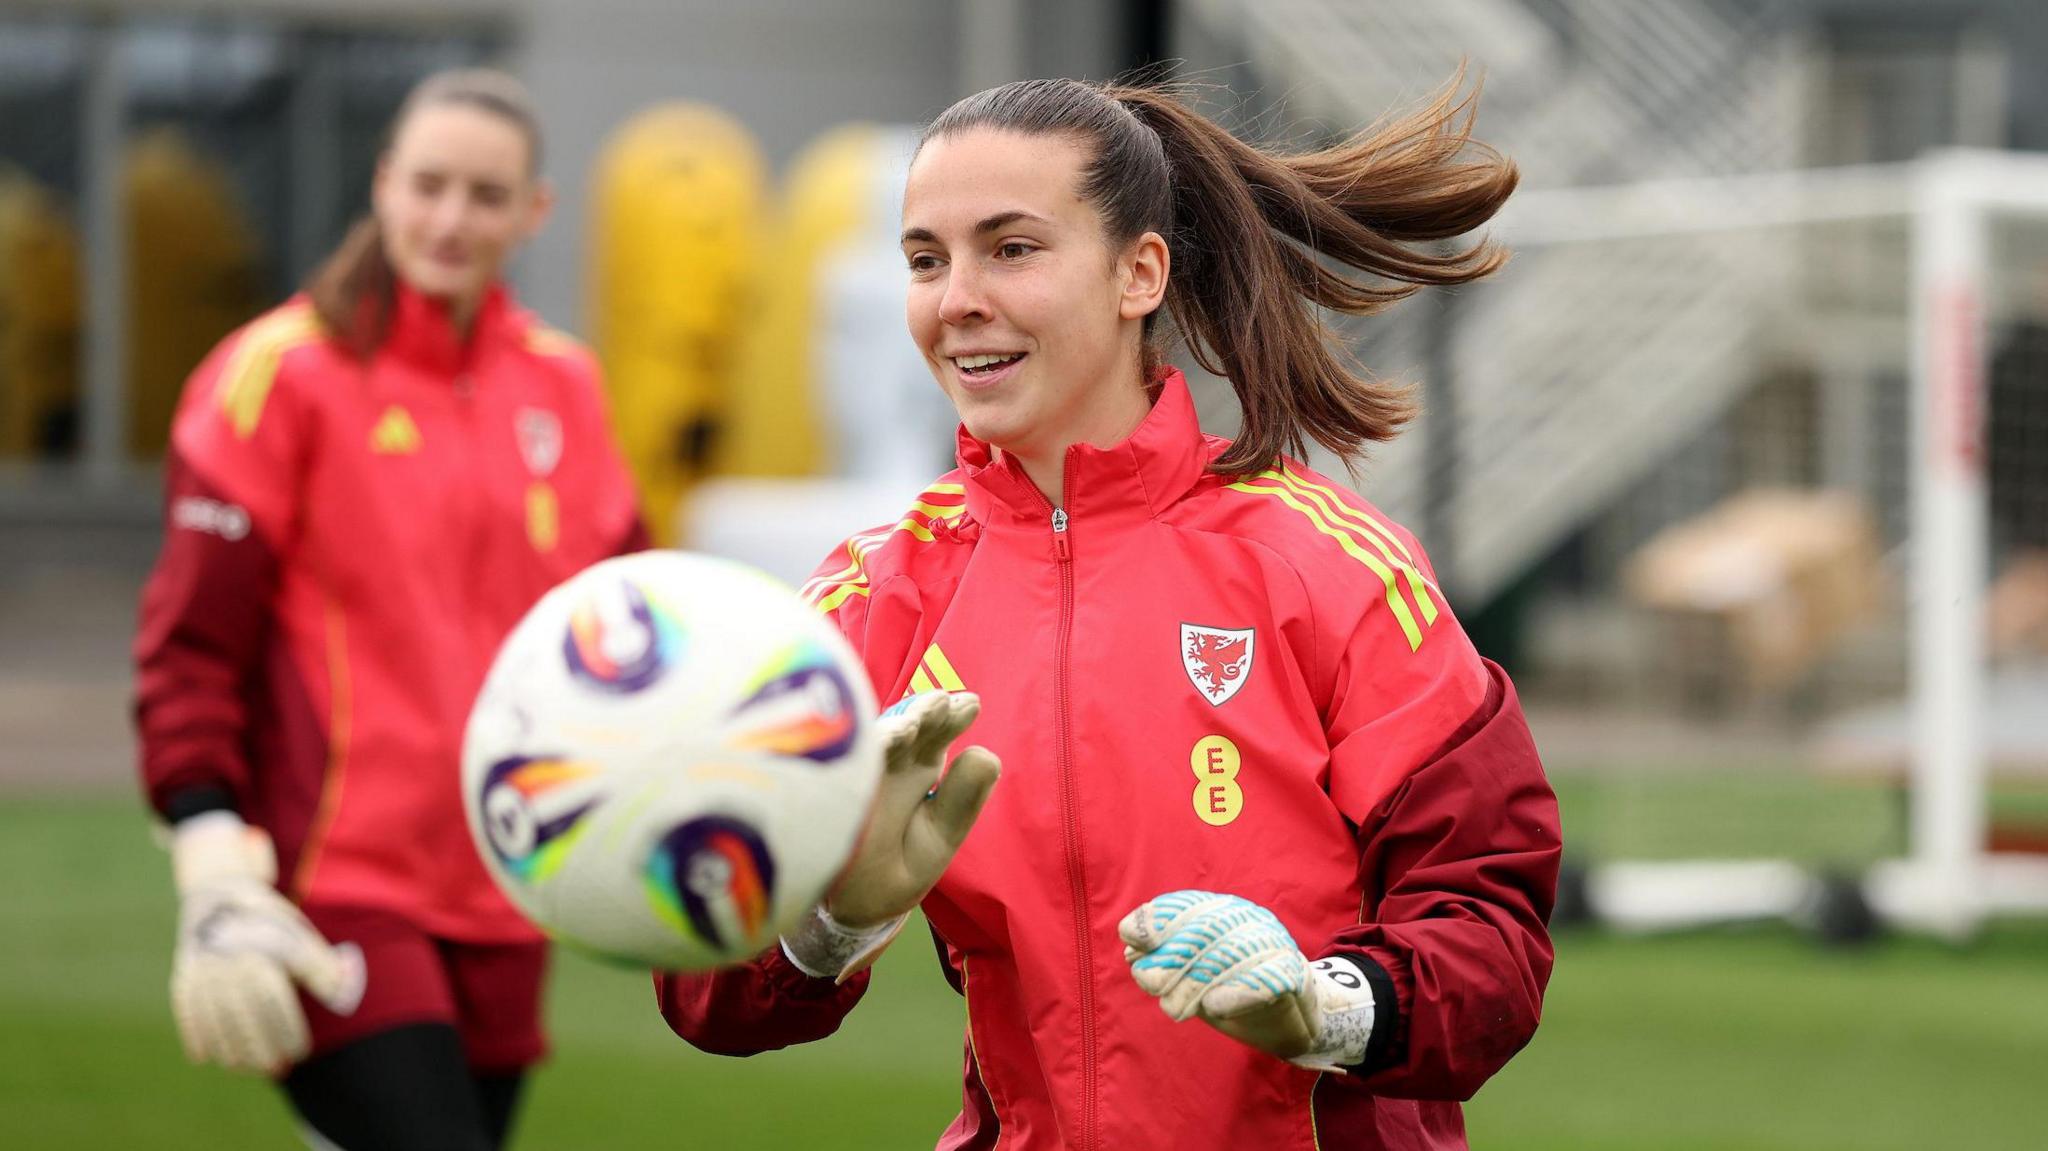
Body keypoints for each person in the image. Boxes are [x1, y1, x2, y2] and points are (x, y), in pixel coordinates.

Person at [656, 75, 1559, 1150]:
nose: (957, 300)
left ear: (1138, 273)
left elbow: (1490, 932)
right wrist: (827, 924)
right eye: (925, 259)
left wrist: (1325, 1005)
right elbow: (707, 986)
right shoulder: (874, 597)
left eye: (1012, 248)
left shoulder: (1330, 567)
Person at [133, 69, 643, 1151]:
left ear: (532, 211)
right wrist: (212, 853)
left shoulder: (566, 385)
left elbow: (629, 624)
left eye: (485, 194)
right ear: (382, 184)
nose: (451, 219)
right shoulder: (276, 374)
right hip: (334, 878)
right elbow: (190, 646)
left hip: (512, 882)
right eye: (428, 185)